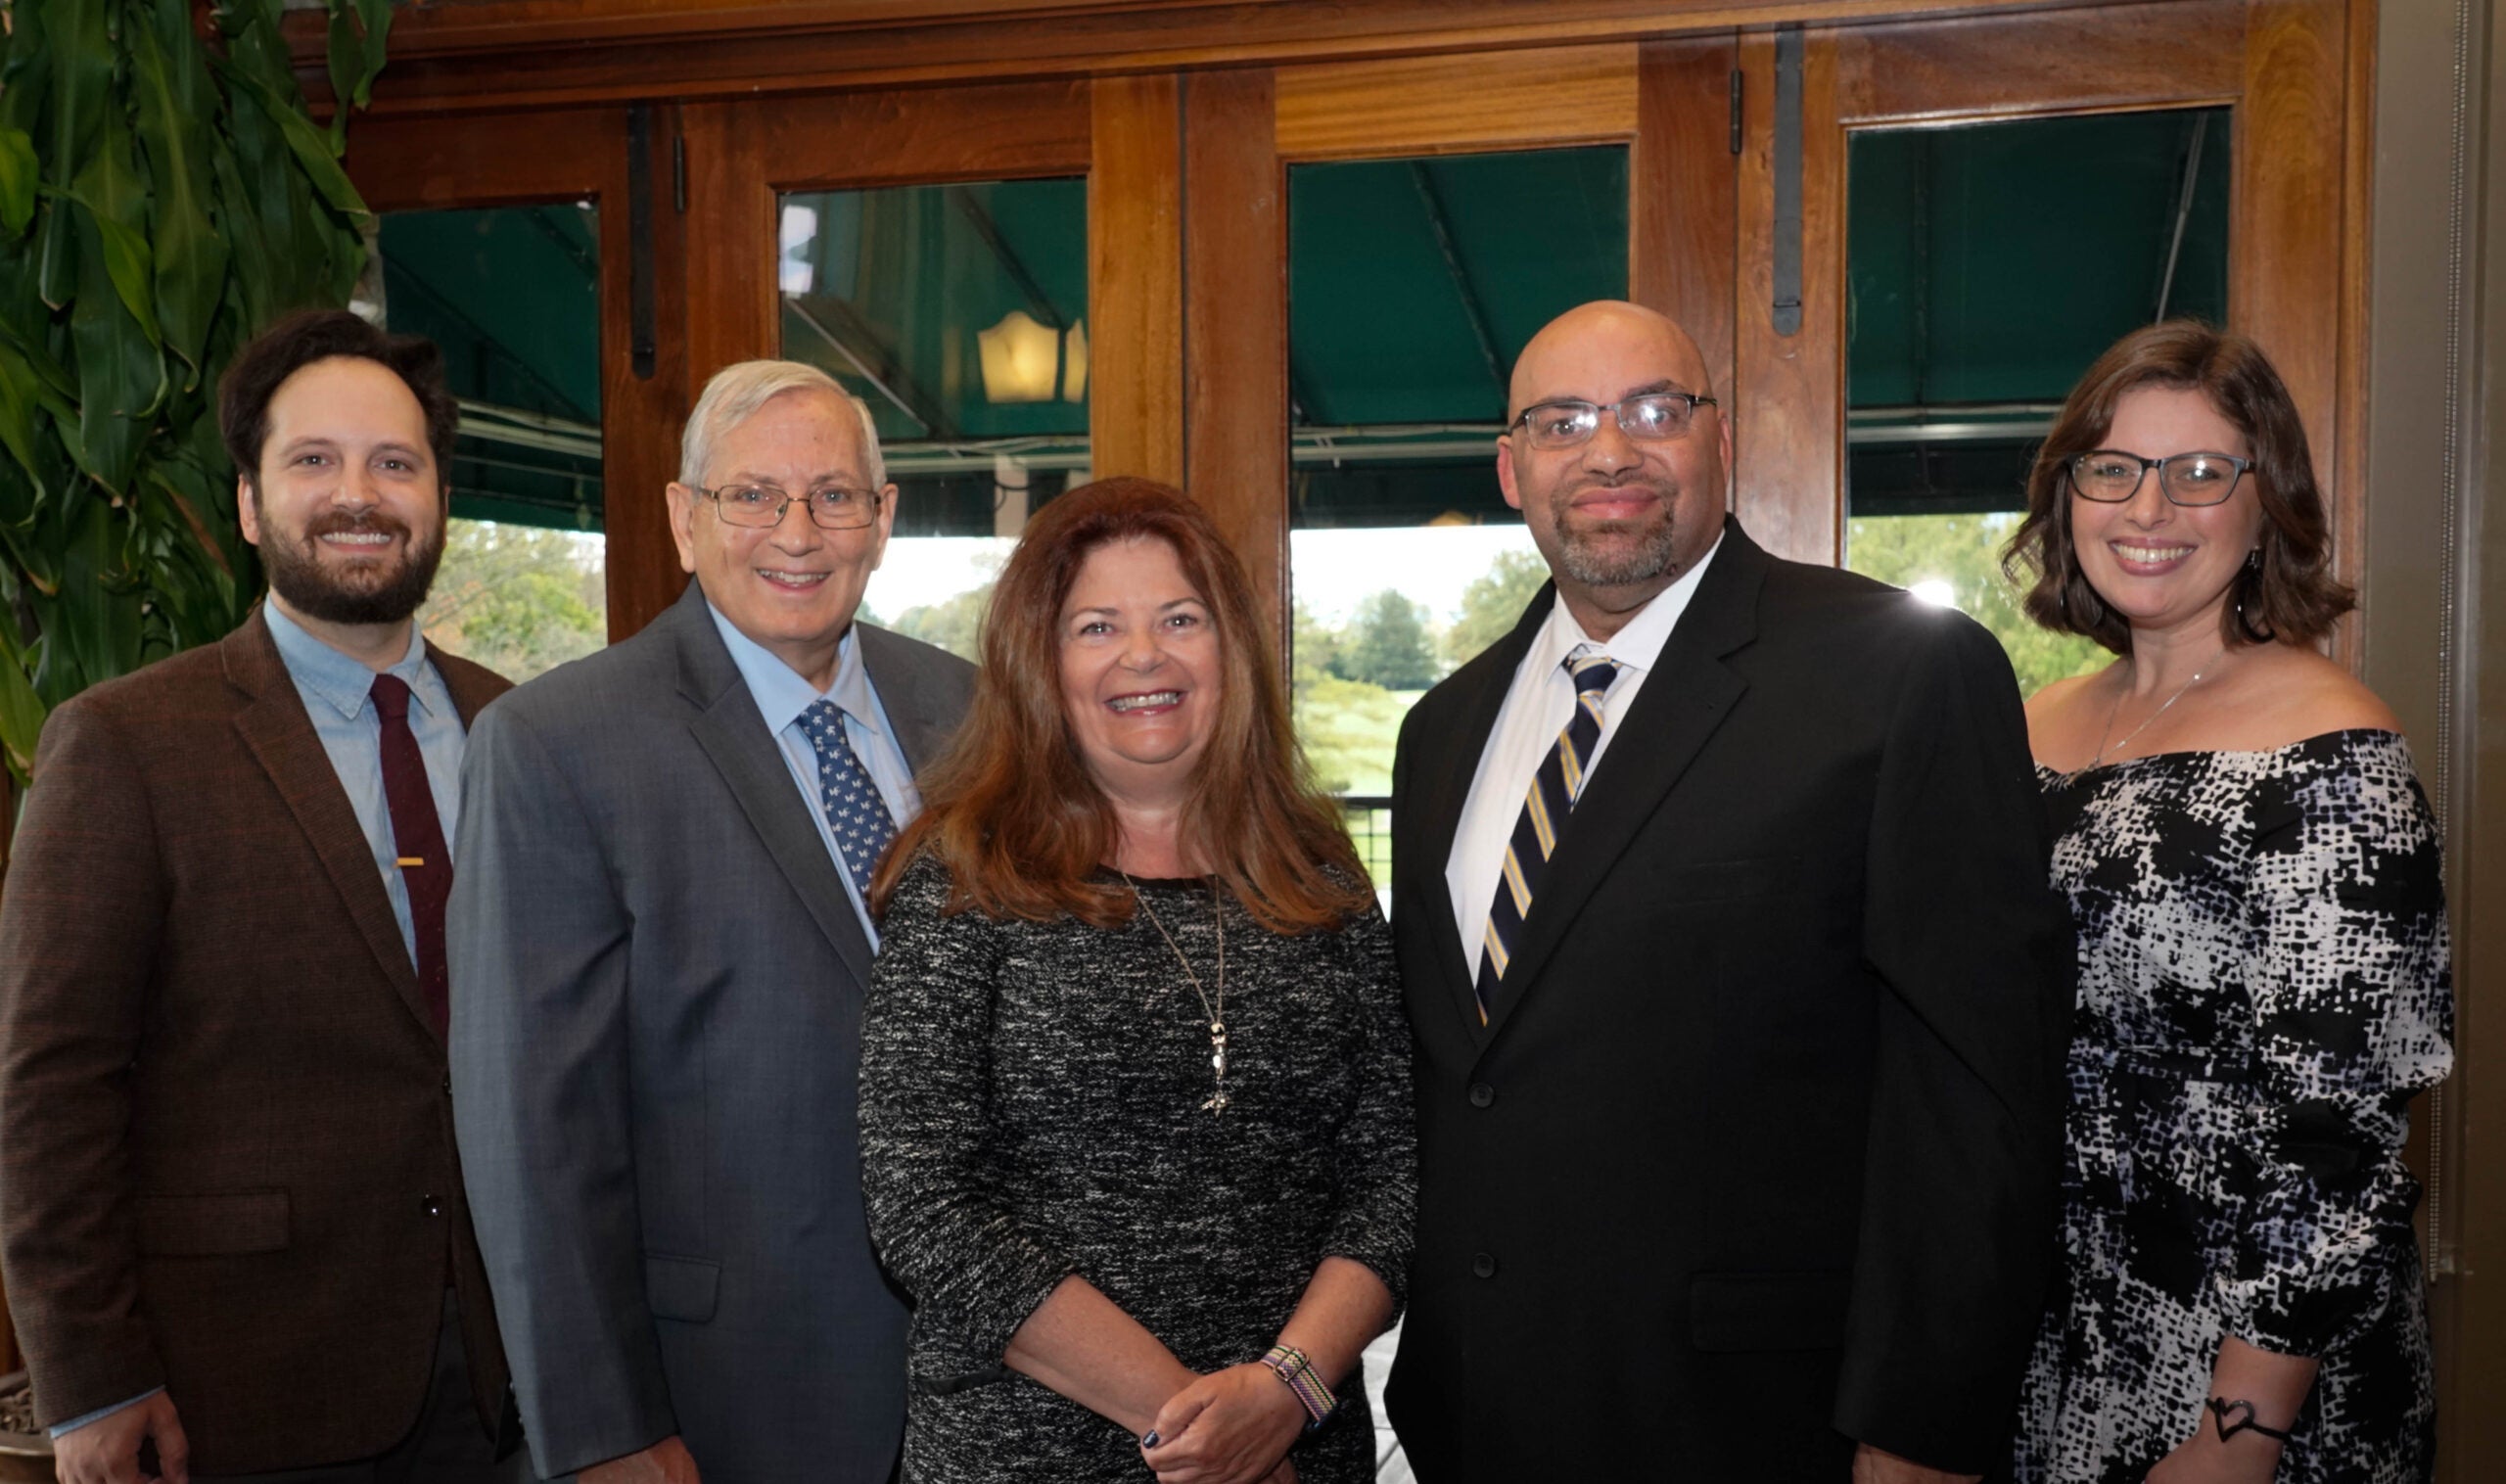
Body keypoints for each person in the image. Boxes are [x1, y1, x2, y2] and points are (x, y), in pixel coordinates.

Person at [1383, 300, 2072, 1482]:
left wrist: (1921, 1425)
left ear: (1720, 441)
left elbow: (1975, 1088)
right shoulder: (1441, 729)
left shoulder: (1901, 674)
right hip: (1472, 1410)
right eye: (1561, 422)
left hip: (1761, 1422)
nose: (1609, 452)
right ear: (1510, 468)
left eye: (1654, 410)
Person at [0, 310, 523, 1481]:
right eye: (313, 460)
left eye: (396, 462)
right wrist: (92, 1378)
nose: (360, 494)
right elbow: (50, 1087)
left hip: (507, 1374)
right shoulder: (125, 744)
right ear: (248, 504)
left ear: (439, 496)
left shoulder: (520, 731)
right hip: (238, 1386)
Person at [446, 361, 975, 1484]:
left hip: (995, 1381)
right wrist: (603, 1428)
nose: (797, 530)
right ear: (686, 520)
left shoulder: (974, 711)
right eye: (752, 495)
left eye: (835, 495)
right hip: (724, 1397)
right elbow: (533, 1125)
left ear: (882, 522)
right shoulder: (558, 743)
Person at [858, 478, 1415, 1484]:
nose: (1143, 655)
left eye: (1179, 618)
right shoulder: (961, 875)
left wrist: (1284, 1392)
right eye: (1097, 626)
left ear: (1228, 647)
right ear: (1042, 661)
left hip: (1296, 1443)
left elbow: (1391, 1176)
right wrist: (1206, 1431)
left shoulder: (1320, 875)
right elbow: (921, 1203)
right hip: (1027, 1461)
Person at [2005, 322, 2450, 1484]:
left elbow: (2338, 1140)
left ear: (2267, 505)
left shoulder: (2331, 747)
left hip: (2240, 1369)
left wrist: (2238, 1432)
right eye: (2111, 468)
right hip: (2052, 1334)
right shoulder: (2036, 723)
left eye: (2200, 472)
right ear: (2067, 497)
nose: (2148, 509)